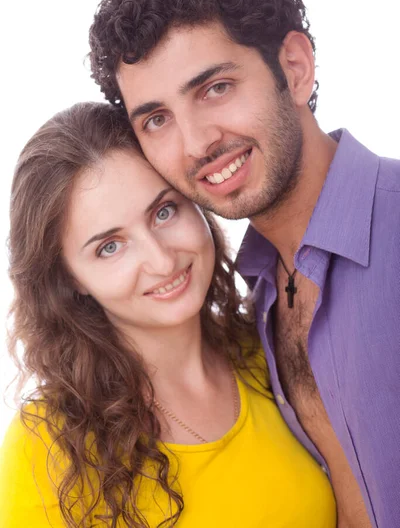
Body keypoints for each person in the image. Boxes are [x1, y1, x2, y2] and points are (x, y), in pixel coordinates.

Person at [88, 0, 400, 528]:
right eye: (157, 119)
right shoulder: (255, 300)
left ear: (295, 68)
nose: (197, 142)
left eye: (215, 88)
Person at [0, 102, 336, 527]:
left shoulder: (271, 348)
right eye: (110, 247)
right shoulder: (43, 447)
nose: (161, 260)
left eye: (164, 211)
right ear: (70, 278)